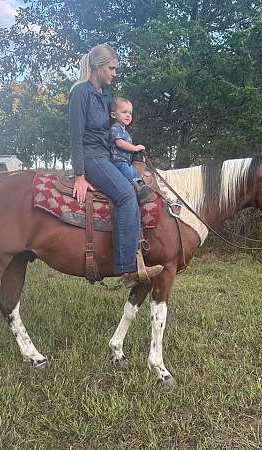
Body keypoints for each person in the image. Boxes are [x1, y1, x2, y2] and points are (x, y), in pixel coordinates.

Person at [68, 44, 163, 285]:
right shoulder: (80, 93)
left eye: (115, 69)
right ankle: (126, 268)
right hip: (91, 157)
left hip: (107, 157)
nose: (114, 73)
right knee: (125, 194)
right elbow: (75, 136)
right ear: (98, 67)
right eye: (111, 68)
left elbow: (117, 129)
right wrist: (79, 175)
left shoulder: (105, 97)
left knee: (140, 184)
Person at [109, 96, 150, 204]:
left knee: (134, 172)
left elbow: (129, 150)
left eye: (130, 113)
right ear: (113, 115)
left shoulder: (126, 133)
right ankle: (137, 191)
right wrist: (135, 148)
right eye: (124, 112)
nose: (128, 115)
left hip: (125, 162)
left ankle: (141, 187)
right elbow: (119, 143)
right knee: (129, 174)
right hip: (117, 161)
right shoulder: (115, 128)